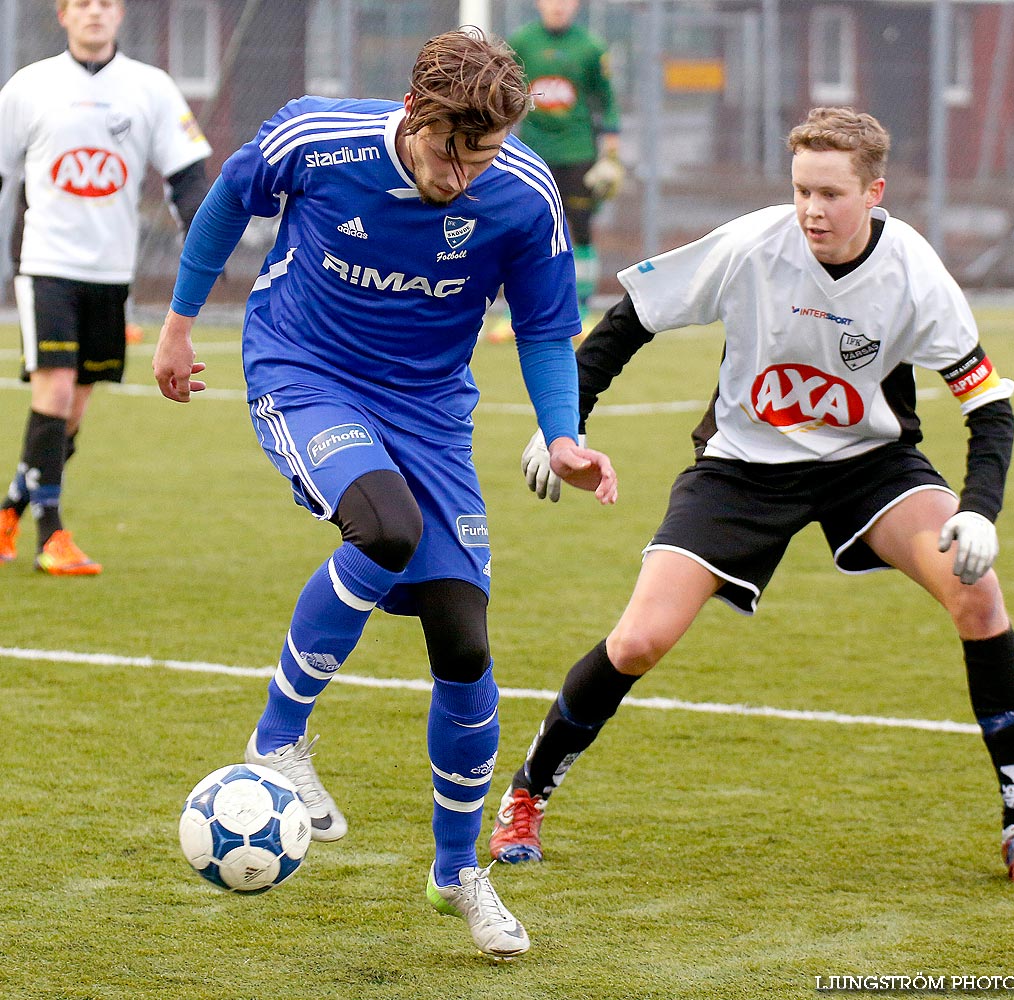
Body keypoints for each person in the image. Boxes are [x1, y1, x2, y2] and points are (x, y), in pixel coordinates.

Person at [490, 106, 1014, 886]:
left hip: (870, 464)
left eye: (830, 193)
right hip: (740, 467)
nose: (811, 210)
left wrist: (976, 510)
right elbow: (630, 321)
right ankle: (526, 793)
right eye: (800, 190)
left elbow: (985, 402)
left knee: (978, 597)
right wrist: (561, 422)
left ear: (873, 193)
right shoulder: (752, 243)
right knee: (637, 642)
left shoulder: (914, 271)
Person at [153, 28, 618, 958]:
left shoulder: (522, 196)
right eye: (451, 150)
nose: (462, 174)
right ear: (413, 117)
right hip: (305, 370)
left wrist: (564, 435)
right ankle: (278, 737)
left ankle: (457, 874)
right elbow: (226, 203)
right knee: (386, 526)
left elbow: (543, 326)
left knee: (463, 636)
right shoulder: (316, 139)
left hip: (432, 412)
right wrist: (175, 326)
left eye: (482, 154)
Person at [0, 0, 211, 574]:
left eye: (105, 4)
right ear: (62, 15)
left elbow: (188, 179)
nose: (94, 12)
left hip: (110, 273)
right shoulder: (28, 87)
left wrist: (206, 237)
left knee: (71, 411)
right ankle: (52, 534)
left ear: (120, 15)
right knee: (58, 390)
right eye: (82, 4)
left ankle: (12, 506)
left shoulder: (151, 88)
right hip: (45, 264)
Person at [504, 0, 623, 325]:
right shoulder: (522, 42)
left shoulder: (591, 47)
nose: (558, 6)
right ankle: (517, 312)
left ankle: (581, 310)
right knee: (522, 231)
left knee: (581, 230)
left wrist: (611, 156)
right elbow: (503, 93)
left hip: (578, 153)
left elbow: (607, 101)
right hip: (532, 154)